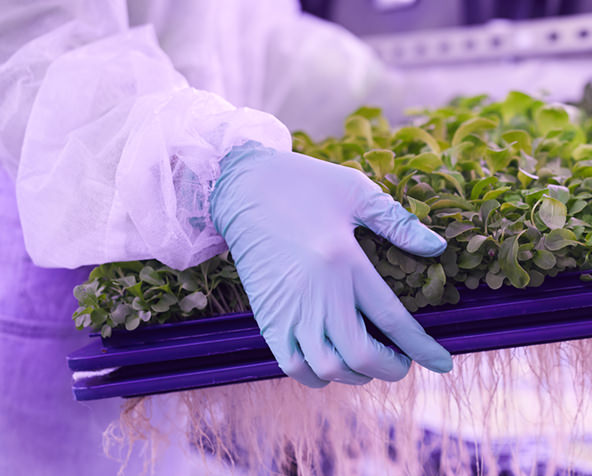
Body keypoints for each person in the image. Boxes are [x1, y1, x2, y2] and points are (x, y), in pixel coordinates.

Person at [0, 1, 456, 473]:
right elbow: (26, 61)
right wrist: (215, 172)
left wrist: (415, 98)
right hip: (54, 236)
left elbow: (247, 35)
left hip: (199, 228)